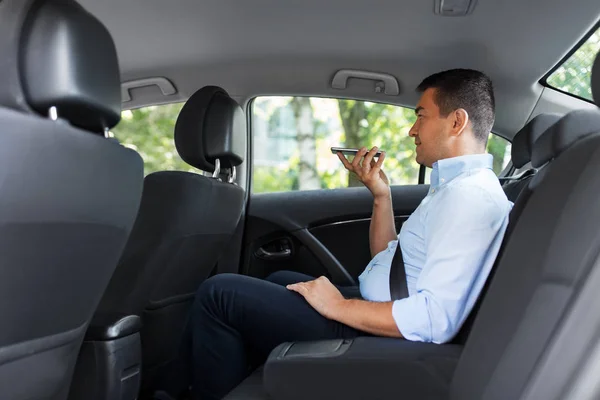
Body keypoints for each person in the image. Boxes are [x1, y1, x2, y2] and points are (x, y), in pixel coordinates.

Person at [156, 69, 512, 400]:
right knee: (280, 278)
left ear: (457, 121)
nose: (412, 130)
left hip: (384, 338)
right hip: (382, 311)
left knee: (219, 294)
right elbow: (390, 262)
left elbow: (435, 321)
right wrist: (381, 195)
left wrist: (338, 306)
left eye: (420, 115)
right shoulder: (453, 189)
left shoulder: (469, 198)